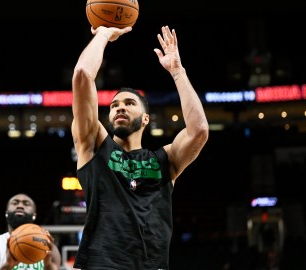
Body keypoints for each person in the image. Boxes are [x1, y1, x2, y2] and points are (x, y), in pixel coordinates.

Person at [71, 25, 209, 269]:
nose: (119, 108)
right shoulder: (95, 145)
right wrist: (103, 34)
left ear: (146, 119)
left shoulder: (164, 160)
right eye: (114, 106)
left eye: (129, 103)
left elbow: (199, 131)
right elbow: (82, 74)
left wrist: (177, 71)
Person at [0, 193, 61, 270]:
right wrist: (7, 267)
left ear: (34, 215)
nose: (20, 206)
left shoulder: (48, 247)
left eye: (26, 203)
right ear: (6, 213)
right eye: (15, 203)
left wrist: (48, 265)